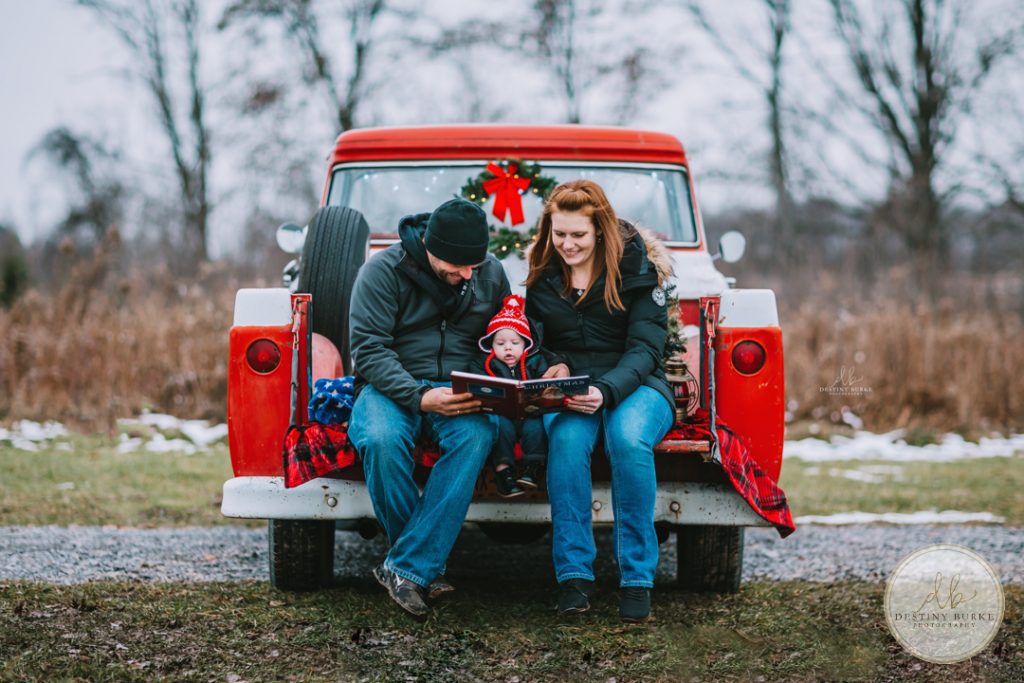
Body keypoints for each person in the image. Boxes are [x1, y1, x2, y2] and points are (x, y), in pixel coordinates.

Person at [348, 197, 510, 621]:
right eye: (458, 265)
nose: (469, 274)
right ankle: (421, 569)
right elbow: (369, 350)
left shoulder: (491, 273)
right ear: (429, 247)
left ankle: (405, 568)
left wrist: (487, 379)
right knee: (380, 438)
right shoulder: (381, 272)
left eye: (475, 264)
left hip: (459, 387)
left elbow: (501, 336)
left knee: (476, 435)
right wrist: (419, 396)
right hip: (389, 384)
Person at [524, 179, 674, 623]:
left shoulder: (637, 270)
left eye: (578, 235)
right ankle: (574, 578)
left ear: (600, 231)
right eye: (559, 234)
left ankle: (637, 579)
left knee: (628, 440)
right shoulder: (543, 275)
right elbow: (534, 340)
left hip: (638, 383)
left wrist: (606, 391)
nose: (567, 244)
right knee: (567, 444)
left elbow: (646, 348)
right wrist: (552, 364)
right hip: (574, 386)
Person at [476, 294, 550, 497]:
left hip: (530, 413)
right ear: (491, 345)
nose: (508, 348)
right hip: (502, 414)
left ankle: (534, 467)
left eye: (515, 343)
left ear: (526, 344)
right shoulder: (485, 363)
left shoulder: (536, 361)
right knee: (501, 428)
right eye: (500, 343)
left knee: (536, 427)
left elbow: (545, 384)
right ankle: (503, 471)